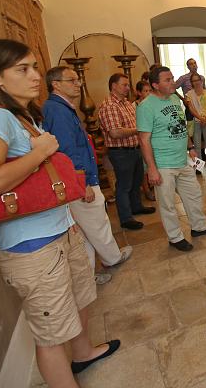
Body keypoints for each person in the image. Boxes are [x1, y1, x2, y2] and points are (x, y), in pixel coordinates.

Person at [0, 39, 120, 386]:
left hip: (59, 229)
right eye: (23, 69)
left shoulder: (22, 116)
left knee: (80, 298)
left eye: (35, 67)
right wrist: (40, 153)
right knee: (51, 335)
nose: (35, 76)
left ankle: (82, 354)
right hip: (33, 246)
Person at [42, 66, 133, 285]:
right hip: (79, 181)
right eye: (72, 80)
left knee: (84, 231)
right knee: (96, 222)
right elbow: (67, 150)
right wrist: (82, 182)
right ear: (56, 84)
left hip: (79, 178)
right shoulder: (57, 110)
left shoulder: (61, 107)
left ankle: (89, 273)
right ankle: (111, 258)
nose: (78, 84)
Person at [137, 66, 206, 251]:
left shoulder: (175, 98)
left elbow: (180, 125)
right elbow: (144, 140)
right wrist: (151, 168)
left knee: (193, 194)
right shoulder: (146, 106)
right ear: (155, 85)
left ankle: (199, 227)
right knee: (167, 204)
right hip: (162, 164)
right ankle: (174, 237)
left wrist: (190, 147)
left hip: (182, 160)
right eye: (167, 80)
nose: (173, 82)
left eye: (172, 78)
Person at [98, 73, 155, 231]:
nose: (128, 88)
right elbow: (115, 133)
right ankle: (125, 218)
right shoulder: (110, 106)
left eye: (128, 85)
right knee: (124, 185)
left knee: (136, 181)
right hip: (121, 152)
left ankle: (136, 206)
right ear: (113, 86)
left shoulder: (125, 103)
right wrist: (139, 130)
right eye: (124, 85)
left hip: (134, 148)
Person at [185, 72, 206, 173]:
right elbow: (191, 109)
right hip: (196, 122)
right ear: (191, 83)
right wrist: (200, 119)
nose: (196, 82)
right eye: (194, 81)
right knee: (197, 145)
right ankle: (199, 167)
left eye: (198, 80)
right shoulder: (189, 94)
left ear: (201, 81)